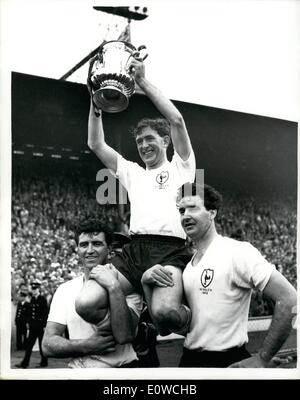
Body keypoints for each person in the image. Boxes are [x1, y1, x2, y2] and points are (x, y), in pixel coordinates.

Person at [76, 55, 196, 336]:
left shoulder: (182, 166)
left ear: (165, 141)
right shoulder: (132, 172)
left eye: (150, 139)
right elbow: (95, 143)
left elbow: (176, 119)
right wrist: (96, 102)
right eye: (139, 141)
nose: (143, 145)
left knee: (165, 315)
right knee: (85, 303)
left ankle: (193, 315)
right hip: (134, 251)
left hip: (169, 251)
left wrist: (141, 81)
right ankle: (137, 325)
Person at [174, 182, 297, 368]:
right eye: (182, 210)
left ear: (212, 213)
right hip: (189, 360)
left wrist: (262, 358)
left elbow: (289, 299)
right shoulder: (189, 265)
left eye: (193, 208)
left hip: (226, 362)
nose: (186, 215)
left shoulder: (236, 252)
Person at [42, 218, 143, 368]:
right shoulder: (65, 289)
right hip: (78, 372)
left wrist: (114, 287)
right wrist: (86, 345)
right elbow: (47, 345)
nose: (89, 250)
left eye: (96, 243)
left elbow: (125, 335)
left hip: (120, 370)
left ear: (109, 249)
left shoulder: (127, 286)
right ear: (77, 249)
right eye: (84, 245)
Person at [15, 280, 49, 368]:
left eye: (35, 289)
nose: (34, 291)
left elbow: (45, 313)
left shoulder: (42, 299)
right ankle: (24, 363)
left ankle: (44, 362)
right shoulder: (33, 299)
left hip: (40, 326)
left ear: (39, 289)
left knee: (42, 345)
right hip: (33, 326)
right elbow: (30, 313)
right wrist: (29, 323)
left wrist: (44, 325)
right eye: (33, 289)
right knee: (29, 345)